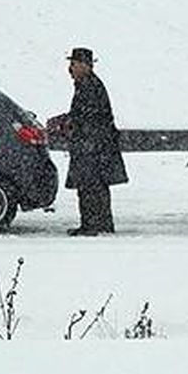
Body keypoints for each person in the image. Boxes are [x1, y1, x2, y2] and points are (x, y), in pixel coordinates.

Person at [58, 47, 127, 236]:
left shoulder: (90, 86)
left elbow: (91, 118)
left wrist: (71, 124)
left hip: (94, 148)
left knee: (90, 187)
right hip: (94, 146)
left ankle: (93, 225)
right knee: (93, 187)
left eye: (73, 64)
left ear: (85, 66)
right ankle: (97, 224)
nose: (70, 69)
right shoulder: (86, 84)